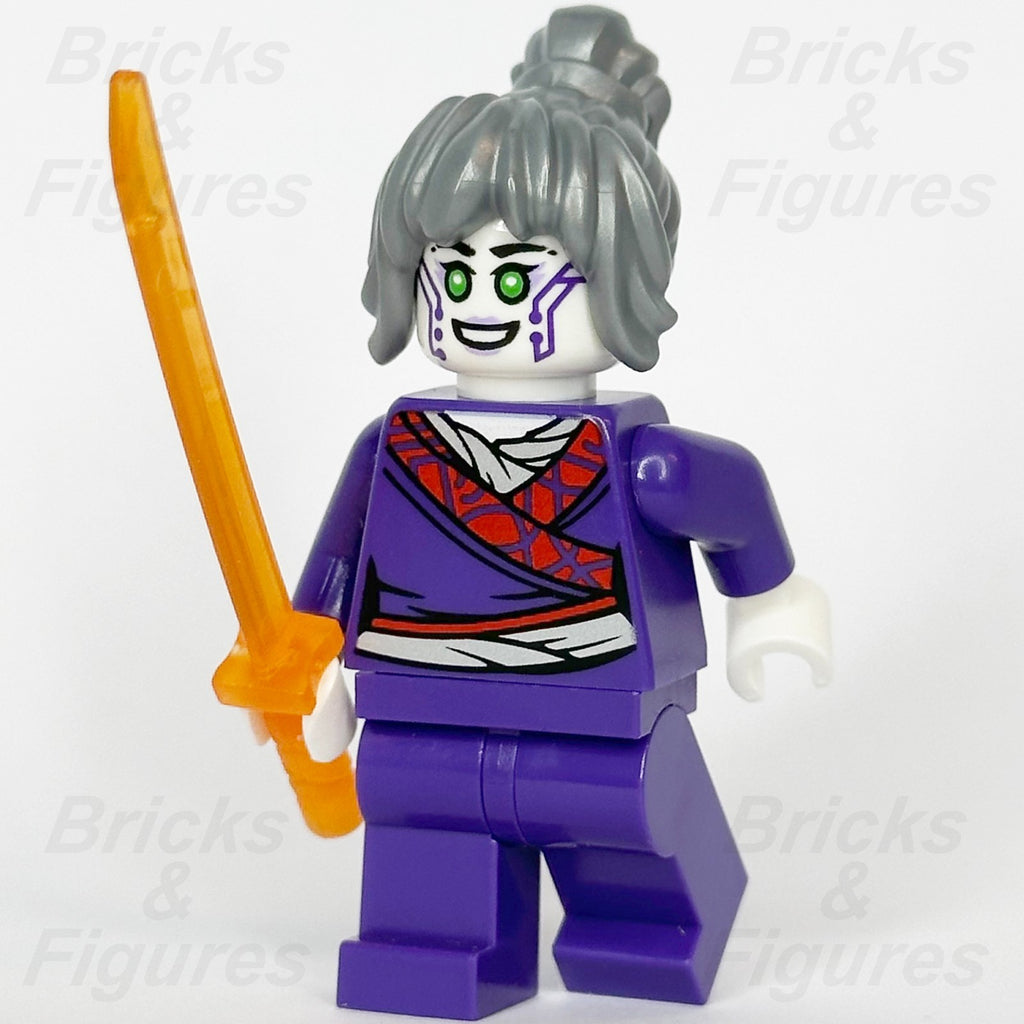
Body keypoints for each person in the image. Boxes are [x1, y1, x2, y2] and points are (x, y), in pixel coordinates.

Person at [294, 7, 832, 1019]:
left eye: (515, 274)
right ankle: (436, 947)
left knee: (628, 839)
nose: (479, 301)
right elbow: (333, 569)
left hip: (599, 714)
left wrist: (770, 599)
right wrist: (308, 659)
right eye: (453, 271)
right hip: (419, 710)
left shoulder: (641, 458)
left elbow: (731, 498)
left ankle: (644, 932)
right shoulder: (394, 444)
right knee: (426, 841)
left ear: (622, 279)